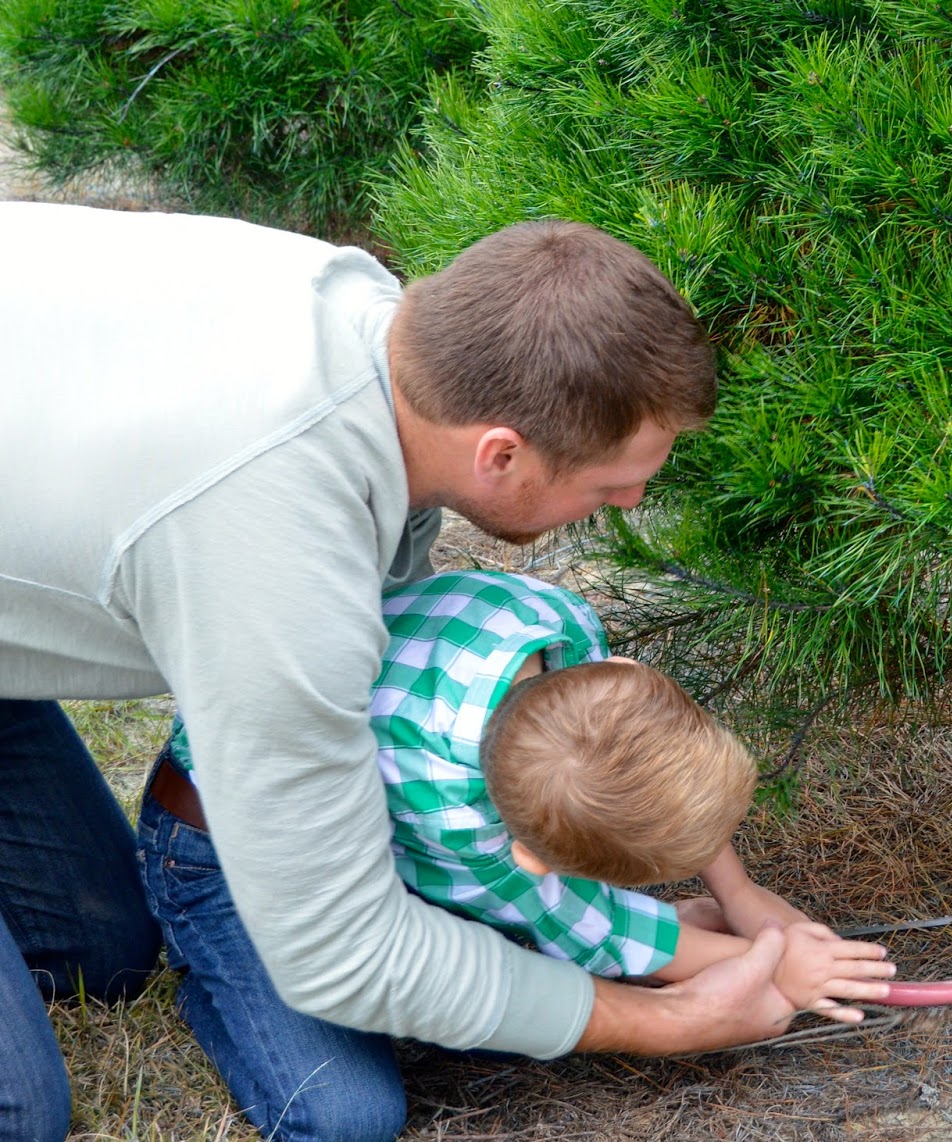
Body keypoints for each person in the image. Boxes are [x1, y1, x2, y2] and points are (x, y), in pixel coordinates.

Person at [0, 204, 873, 1140]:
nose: (633, 502)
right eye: (612, 482)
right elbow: (341, 953)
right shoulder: (277, 558)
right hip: (213, 770)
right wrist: (671, 1020)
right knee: (30, 1112)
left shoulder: (389, 345)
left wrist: (724, 907)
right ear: (502, 453)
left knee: (101, 952)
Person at [142, 570, 894, 1139]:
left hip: (373, 830)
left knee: (537, 997)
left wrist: (741, 894)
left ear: (629, 675)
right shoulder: (457, 821)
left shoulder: (555, 634)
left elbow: (653, 765)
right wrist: (771, 963)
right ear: (530, 857)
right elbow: (593, 924)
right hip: (225, 854)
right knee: (349, 1116)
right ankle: (215, 968)